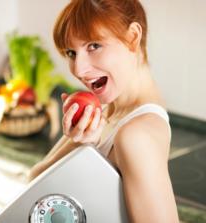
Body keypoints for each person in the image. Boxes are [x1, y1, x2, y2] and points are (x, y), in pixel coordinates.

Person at [28, 0, 180, 222]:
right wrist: (80, 143)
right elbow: (35, 180)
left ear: (133, 37)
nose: (79, 69)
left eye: (93, 46)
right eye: (71, 52)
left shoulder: (136, 136)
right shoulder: (109, 111)